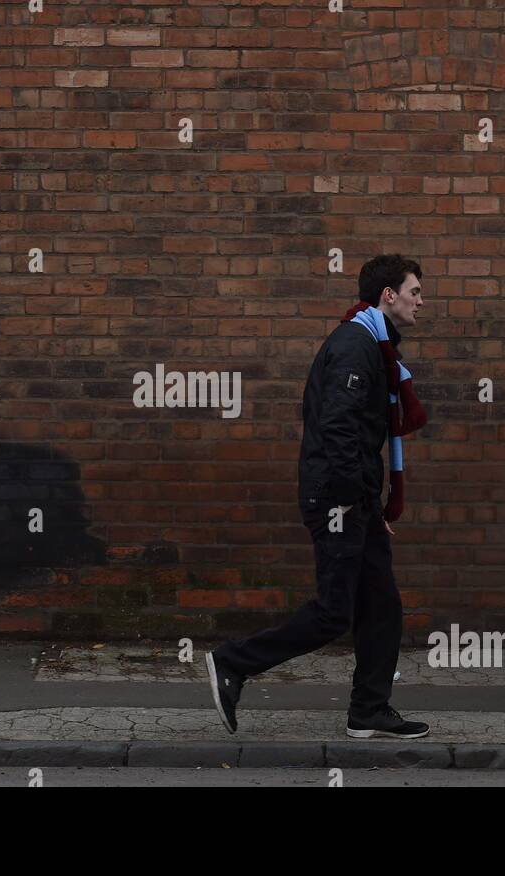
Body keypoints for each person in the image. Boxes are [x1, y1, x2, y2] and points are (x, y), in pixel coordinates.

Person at [206, 255, 430, 739]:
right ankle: (232, 662)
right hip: (337, 500)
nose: (420, 302)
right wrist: (355, 499)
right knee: (335, 611)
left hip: (353, 499)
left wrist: (367, 502)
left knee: (383, 606)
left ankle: (369, 710)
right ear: (388, 295)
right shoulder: (356, 346)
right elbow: (337, 429)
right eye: (414, 291)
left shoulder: (374, 346)